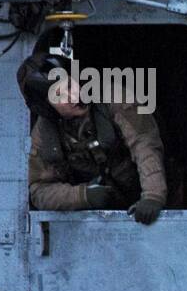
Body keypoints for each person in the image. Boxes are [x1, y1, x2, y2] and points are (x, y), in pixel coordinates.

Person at [19, 52, 167, 224]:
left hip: (152, 198)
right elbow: (39, 191)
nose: (72, 97)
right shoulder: (44, 133)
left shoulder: (114, 98)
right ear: (47, 107)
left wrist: (153, 195)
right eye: (58, 96)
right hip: (102, 216)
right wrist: (84, 196)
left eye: (69, 85)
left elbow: (145, 144)